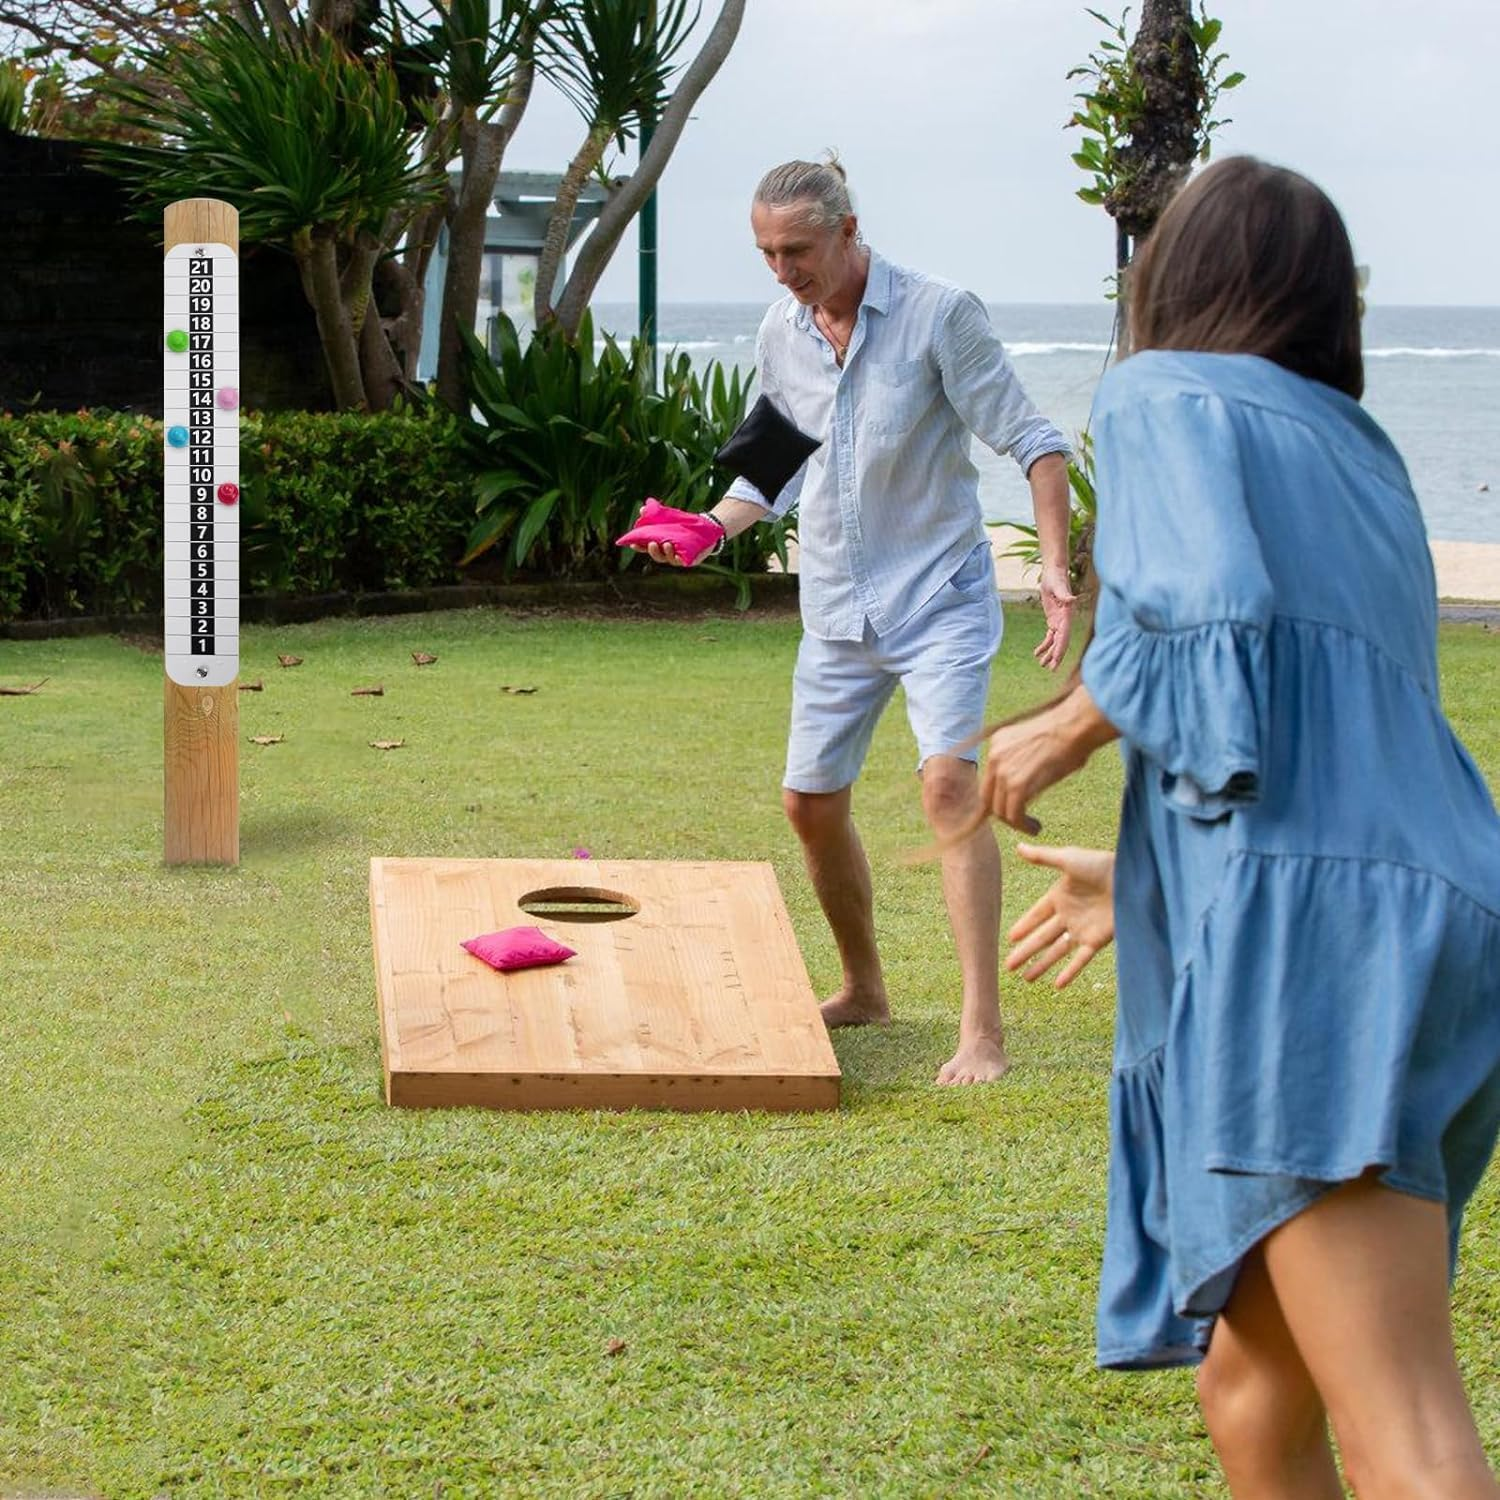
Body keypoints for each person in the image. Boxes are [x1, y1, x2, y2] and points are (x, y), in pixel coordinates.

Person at [982, 156, 1500, 1497]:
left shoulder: (1160, 390)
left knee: (1396, 1406)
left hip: (1325, 943)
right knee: (1254, 1393)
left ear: (1171, 281)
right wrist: (1146, 875)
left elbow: (1211, 614)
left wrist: (1066, 725)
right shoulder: (1360, 453)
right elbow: (1327, 722)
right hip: (1431, 908)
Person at [628, 155, 1075, 1085]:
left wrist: (1057, 572)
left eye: (796, 250)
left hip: (938, 595)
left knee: (947, 789)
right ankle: (866, 988)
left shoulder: (939, 314)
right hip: (836, 602)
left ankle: (982, 1029)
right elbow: (771, 467)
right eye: (765, 253)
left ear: (847, 229)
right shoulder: (781, 330)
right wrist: (709, 528)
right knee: (809, 804)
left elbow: (1036, 445)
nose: (781, 270)